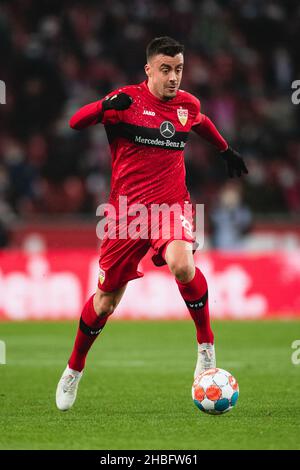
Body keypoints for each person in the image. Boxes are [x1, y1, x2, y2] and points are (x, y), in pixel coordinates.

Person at [56, 36, 248, 411]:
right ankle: (74, 369)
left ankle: (206, 347)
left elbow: (202, 122)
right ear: (149, 70)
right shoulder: (125, 102)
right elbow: (75, 123)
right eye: (165, 69)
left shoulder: (186, 105)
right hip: (125, 215)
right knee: (106, 303)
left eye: (178, 69)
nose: (173, 77)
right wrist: (103, 105)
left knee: (182, 264)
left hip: (170, 207)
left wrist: (225, 149)